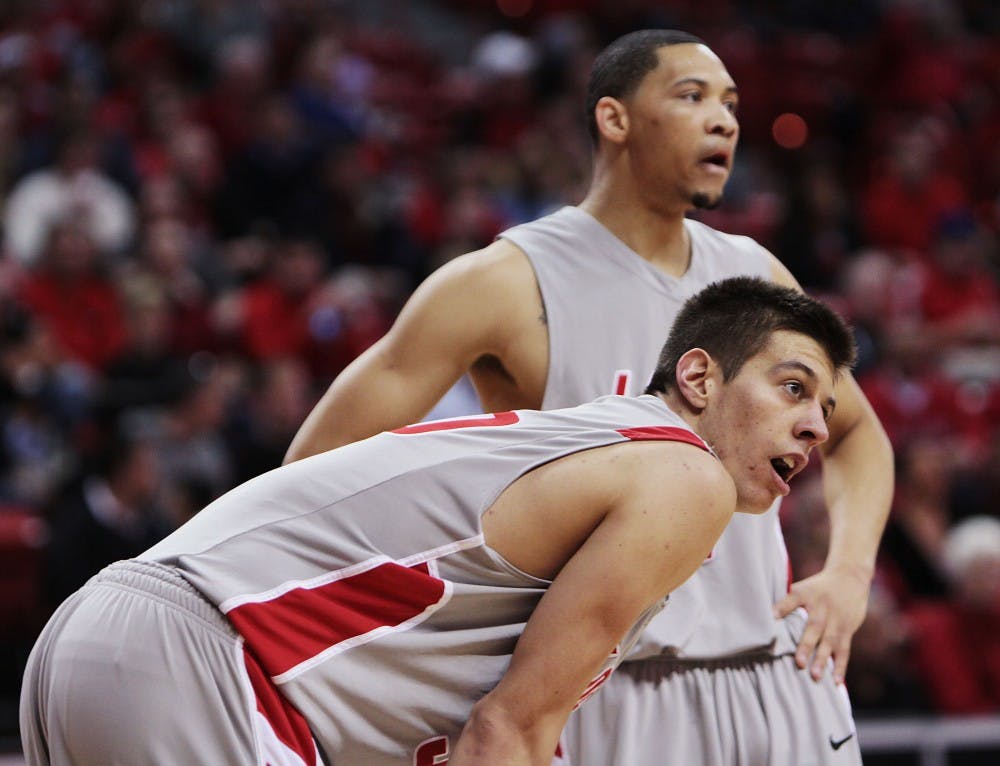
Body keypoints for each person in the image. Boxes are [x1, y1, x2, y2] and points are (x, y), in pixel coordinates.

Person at [283, 29, 894, 765]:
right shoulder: (503, 282)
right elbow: (310, 475)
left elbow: (857, 433)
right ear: (615, 119)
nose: (726, 120)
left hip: (774, 673)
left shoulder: (756, 275)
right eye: (692, 96)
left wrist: (849, 574)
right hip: (606, 694)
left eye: (731, 103)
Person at [21, 278, 854, 766]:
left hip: (105, 641)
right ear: (700, 378)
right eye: (792, 387)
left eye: (825, 405)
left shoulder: (595, 437)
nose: (817, 426)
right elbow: (508, 730)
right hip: (210, 663)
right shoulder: (684, 477)